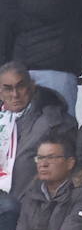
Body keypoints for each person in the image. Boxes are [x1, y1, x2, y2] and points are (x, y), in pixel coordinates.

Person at [0, 63, 75, 202]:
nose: (15, 94)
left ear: (32, 86)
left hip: (30, 205)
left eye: (20, 86)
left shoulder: (54, 121)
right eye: (8, 89)